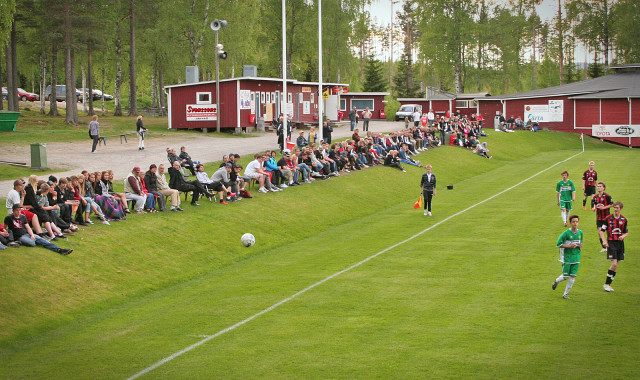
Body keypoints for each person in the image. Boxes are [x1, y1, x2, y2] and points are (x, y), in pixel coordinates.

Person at [4, 204, 72, 255]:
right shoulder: (9, 218)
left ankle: (59, 250)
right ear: (13, 211)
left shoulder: (23, 217)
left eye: (19, 210)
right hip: (19, 237)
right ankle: (19, 242)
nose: (18, 212)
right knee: (32, 243)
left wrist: (31, 235)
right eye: (16, 210)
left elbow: (28, 227)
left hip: (26, 234)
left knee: (44, 241)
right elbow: (4, 228)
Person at [551, 215, 584, 299]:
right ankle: (556, 281)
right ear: (570, 223)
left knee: (573, 276)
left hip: (576, 257)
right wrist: (569, 246)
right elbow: (558, 244)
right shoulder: (566, 233)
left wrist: (580, 245)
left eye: (577, 222)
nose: (575, 223)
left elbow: (580, 242)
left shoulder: (580, 233)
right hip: (567, 257)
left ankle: (565, 294)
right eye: (573, 222)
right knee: (565, 277)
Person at [599, 202, 629, 292]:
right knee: (614, 264)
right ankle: (606, 284)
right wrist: (604, 241)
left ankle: (608, 284)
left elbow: (626, 232)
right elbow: (601, 231)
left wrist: (623, 236)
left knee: (616, 266)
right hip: (611, 243)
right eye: (614, 207)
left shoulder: (624, 219)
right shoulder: (608, 219)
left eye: (617, 208)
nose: (615, 209)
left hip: (620, 244)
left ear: (621, 209)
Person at [591, 181, 613, 252]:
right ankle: (604, 247)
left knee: (608, 232)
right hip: (599, 217)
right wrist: (594, 208)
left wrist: (604, 207)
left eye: (600, 186)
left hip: (606, 217)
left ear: (603, 188)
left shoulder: (607, 196)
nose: (598, 187)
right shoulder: (595, 197)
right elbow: (594, 203)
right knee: (600, 232)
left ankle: (610, 246)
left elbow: (612, 204)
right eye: (598, 186)